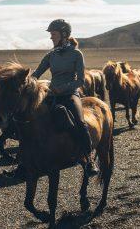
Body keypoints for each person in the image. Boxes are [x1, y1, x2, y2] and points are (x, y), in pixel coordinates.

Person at [31, 19, 98, 176]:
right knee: (31, 118)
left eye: (53, 34)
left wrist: (62, 88)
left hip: (70, 95)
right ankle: (25, 159)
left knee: (80, 122)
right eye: (51, 34)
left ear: (64, 34)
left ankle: (89, 160)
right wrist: (24, 82)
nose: (51, 37)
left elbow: (80, 80)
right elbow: (37, 73)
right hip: (52, 94)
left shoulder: (76, 54)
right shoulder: (51, 55)